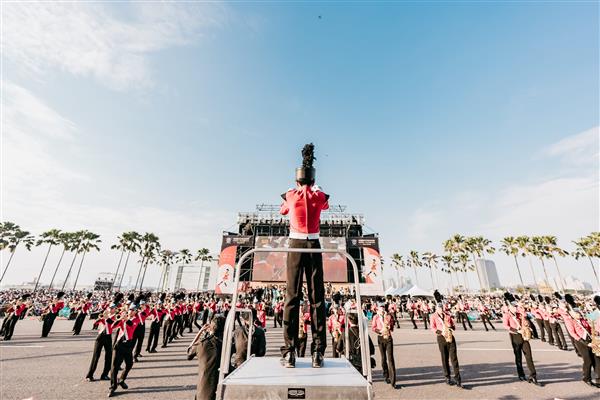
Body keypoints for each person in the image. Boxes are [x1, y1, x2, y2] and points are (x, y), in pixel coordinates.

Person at [280, 143, 329, 369]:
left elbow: (283, 209)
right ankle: (318, 352)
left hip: (296, 244)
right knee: (317, 298)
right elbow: (325, 205)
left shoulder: (291, 195)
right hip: (314, 244)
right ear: (312, 180)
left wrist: (299, 189)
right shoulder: (319, 196)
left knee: (292, 296)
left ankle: (289, 352)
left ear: (297, 181)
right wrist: (314, 188)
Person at [502, 298, 540, 386]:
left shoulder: (520, 314)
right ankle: (521, 374)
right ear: (509, 307)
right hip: (515, 336)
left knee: (529, 356)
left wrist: (527, 325)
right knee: (518, 357)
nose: (516, 308)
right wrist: (516, 330)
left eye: (516, 306)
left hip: (523, 336)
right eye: (514, 306)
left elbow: (525, 318)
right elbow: (505, 326)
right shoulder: (507, 315)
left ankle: (533, 376)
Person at [187, 315, 225, 400]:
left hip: (204, 387)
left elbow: (189, 353)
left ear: (211, 328)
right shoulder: (225, 344)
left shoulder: (202, 343)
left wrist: (200, 332)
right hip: (221, 384)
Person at [108, 305, 140, 397]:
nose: (130, 311)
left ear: (135, 311)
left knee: (129, 364)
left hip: (129, 345)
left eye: (132, 310)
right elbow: (112, 326)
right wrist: (120, 319)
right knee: (114, 366)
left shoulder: (136, 319)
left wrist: (126, 319)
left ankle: (121, 379)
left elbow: (131, 327)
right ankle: (112, 387)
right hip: (119, 344)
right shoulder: (122, 319)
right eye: (129, 309)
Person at [430, 301, 462, 388]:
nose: (441, 309)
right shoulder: (433, 316)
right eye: (439, 308)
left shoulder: (447, 315)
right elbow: (432, 328)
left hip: (450, 337)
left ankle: (458, 379)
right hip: (441, 338)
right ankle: (447, 377)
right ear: (436, 308)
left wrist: (450, 327)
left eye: (442, 308)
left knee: (454, 358)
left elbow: (453, 326)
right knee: (445, 359)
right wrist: (441, 332)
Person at [86, 304, 117, 382]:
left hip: (108, 336)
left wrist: (106, 318)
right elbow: (95, 324)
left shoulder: (115, 316)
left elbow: (112, 325)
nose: (111, 309)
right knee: (96, 356)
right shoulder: (104, 315)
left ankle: (105, 374)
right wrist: (99, 318)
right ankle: (89, 375)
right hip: (100, 337)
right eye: (110, 308)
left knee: (109, 356)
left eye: (112, 308)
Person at [372, 304, 396, 387]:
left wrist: (390, 326)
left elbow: (393, 326)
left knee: (390, 358)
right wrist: (380, 331)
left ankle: (393, 380)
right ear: (377, 310)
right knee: (383, 358)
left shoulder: (388, 316)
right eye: (380, 309)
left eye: (383, 309)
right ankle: (386, 375)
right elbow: (373, 327)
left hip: (388, 337)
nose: (382, 311)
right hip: (381, 338)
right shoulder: (375, 317)